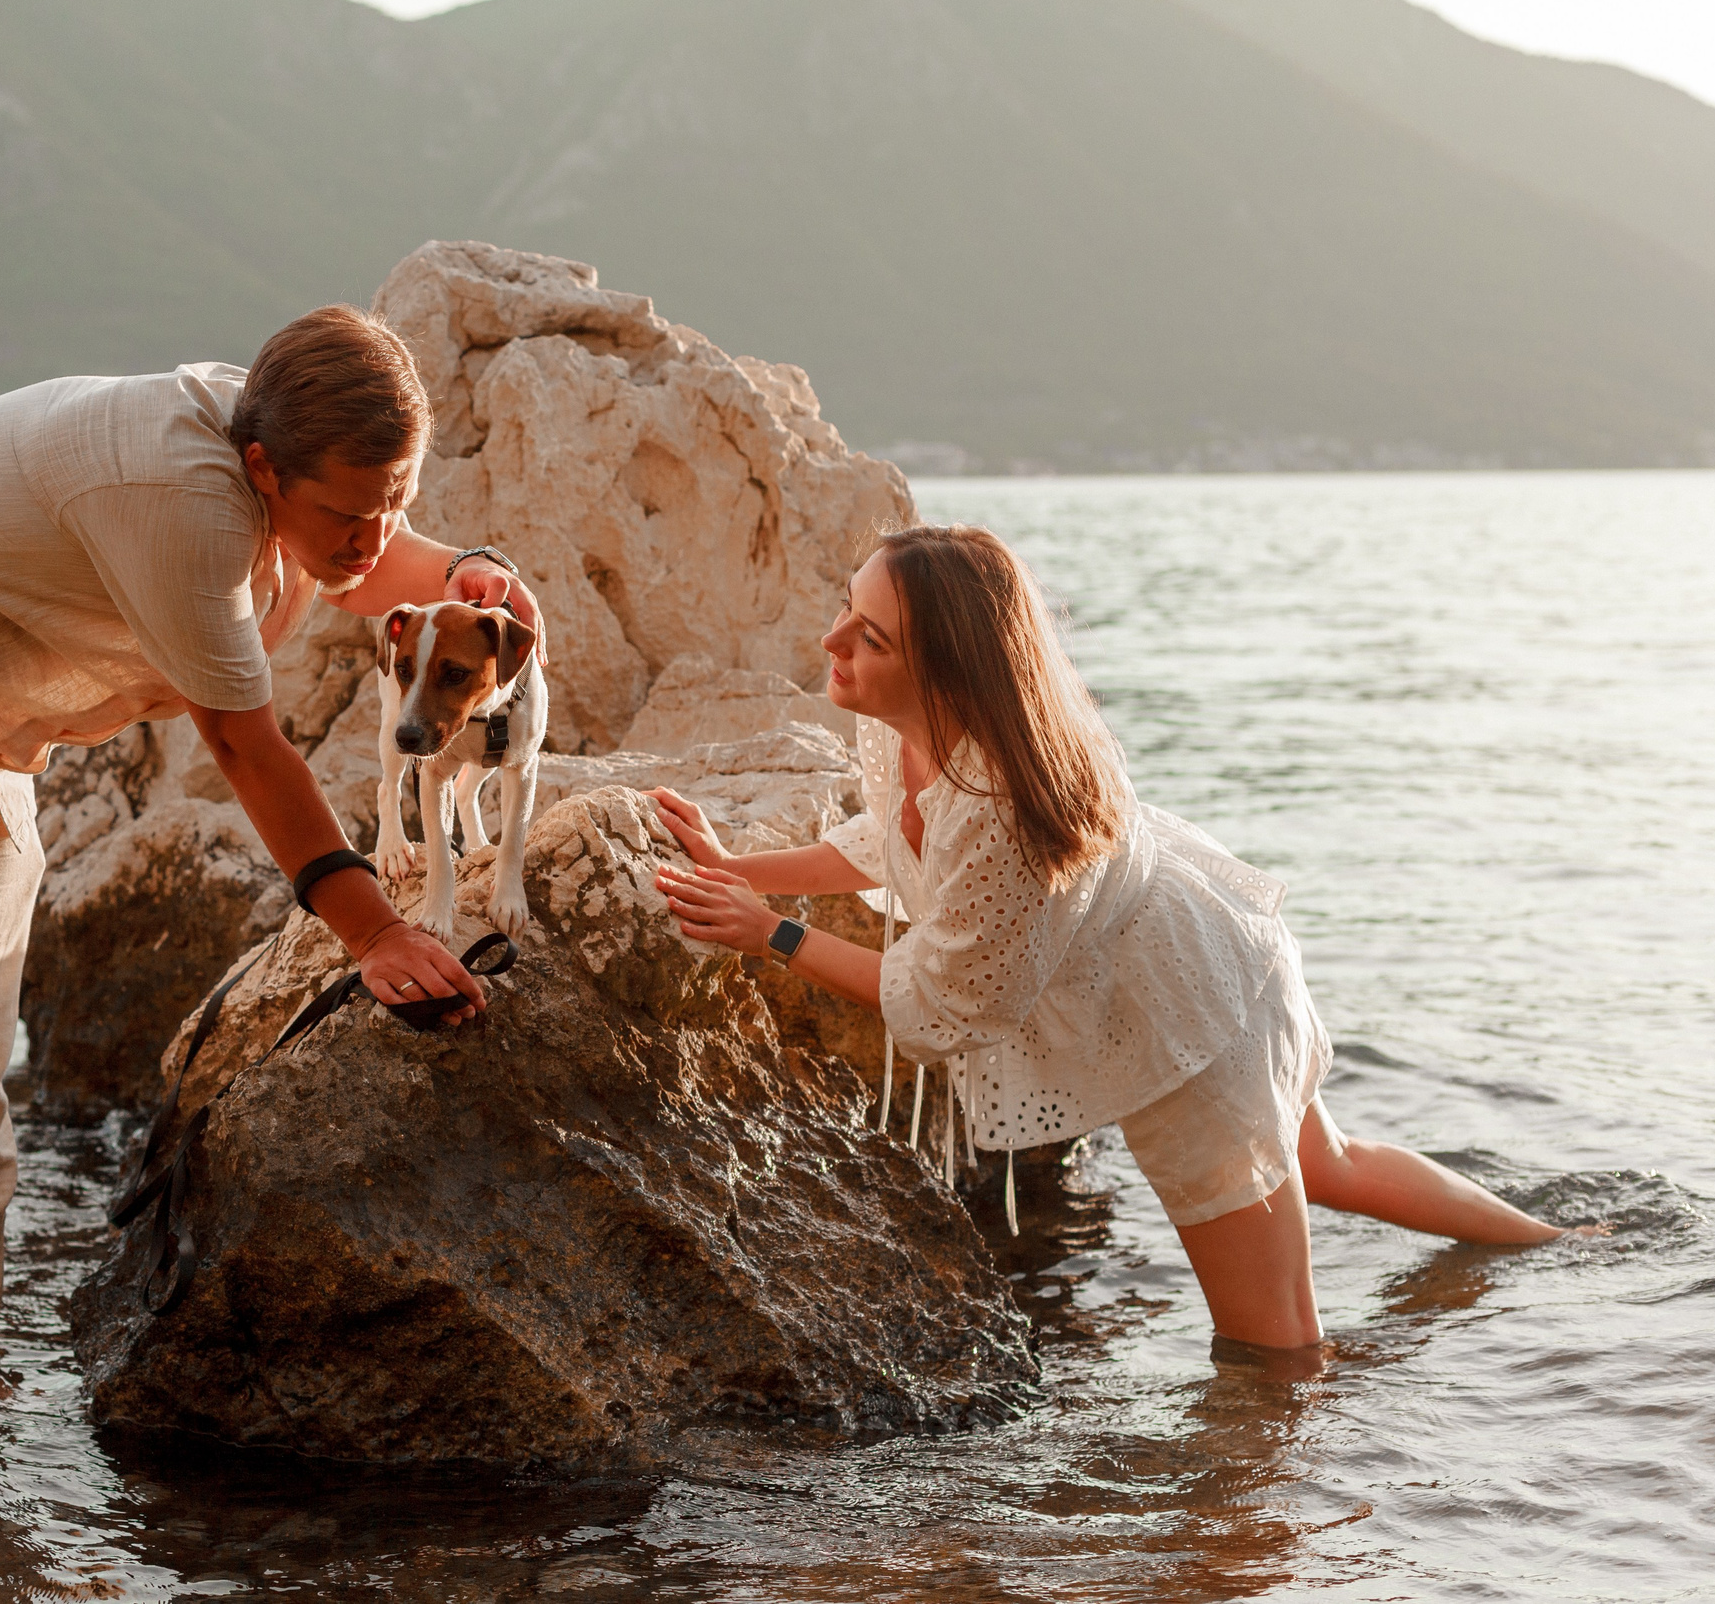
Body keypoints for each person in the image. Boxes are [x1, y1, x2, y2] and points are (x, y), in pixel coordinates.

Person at [0, 305, 534, 1482]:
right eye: (348, 510)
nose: (370, 533)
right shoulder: (176, 496)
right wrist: (373, 932)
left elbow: (365, 554)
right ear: (259, 468)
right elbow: (247, 748)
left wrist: (457, 568)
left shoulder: (295, 471)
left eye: (392, 499)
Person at [649, 524, 1588, 1354]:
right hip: (1208, 954)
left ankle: (1274, 1539)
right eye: (845, 610)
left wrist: (768, 934)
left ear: (944, 673)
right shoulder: (922, 733)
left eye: (870, 635)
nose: (831, 641)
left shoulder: (1003, 806)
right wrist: (742, 867)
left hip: (1193, 1035)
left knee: (1275, 1351)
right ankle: (1556, 1251)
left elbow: (940, 1010)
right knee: (1325, 1166)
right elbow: (888, 846)